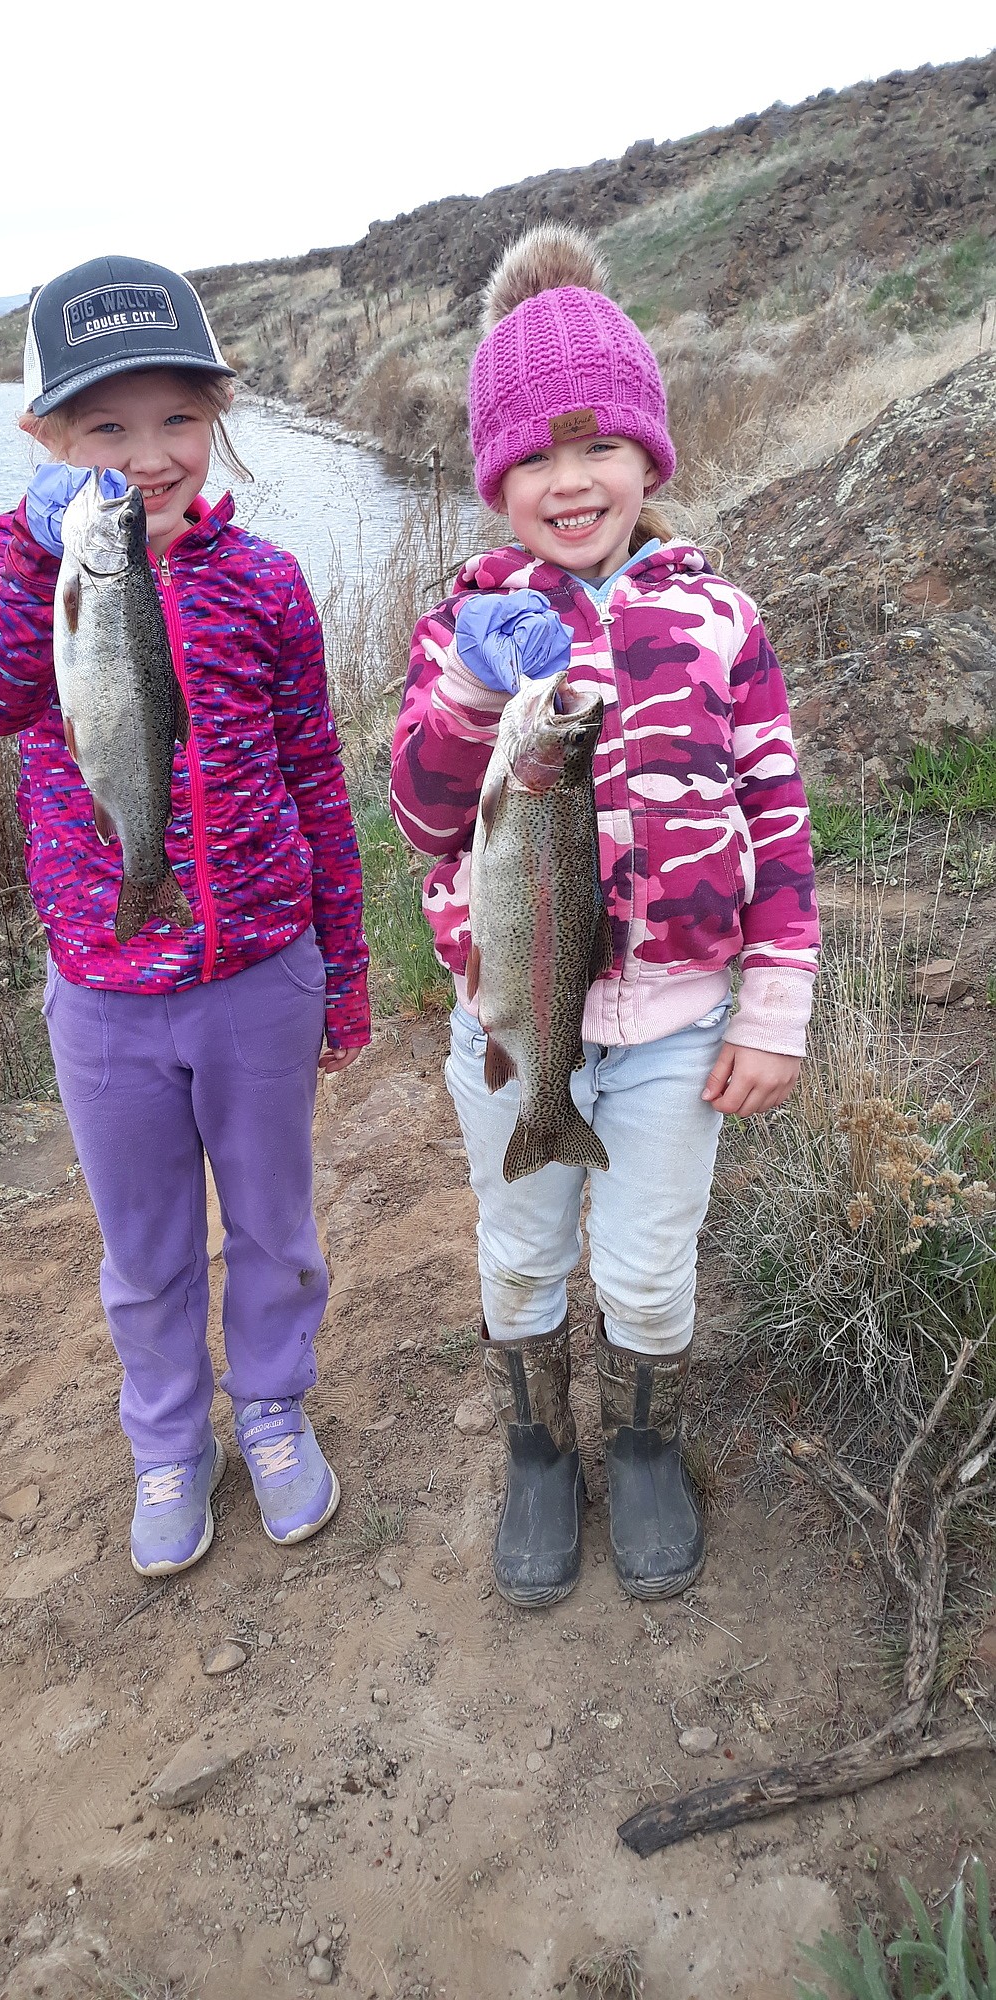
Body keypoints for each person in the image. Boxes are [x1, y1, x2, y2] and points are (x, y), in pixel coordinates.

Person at [390, 225, 819, 1609]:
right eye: (531, 459)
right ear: (492, 478)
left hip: (678, 1032)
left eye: (598, 451)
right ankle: (535, 1444)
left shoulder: (717, 620)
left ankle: (638, 1441)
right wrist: (468, 692)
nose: (568, 484)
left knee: (644, 1265)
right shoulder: (464, 620)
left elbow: (777, 819)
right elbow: (417, 807)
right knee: (518, 1247)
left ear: (649, 458)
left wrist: (773, 1008)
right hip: (513, 1032)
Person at [0, 255, 370, 1576]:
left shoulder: (267, 585)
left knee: (273, 1228)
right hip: (105, 998)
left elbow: (316, 781)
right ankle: (168, 1441)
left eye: (176, 419)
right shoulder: (19, 563)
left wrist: (342, 971)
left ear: (220, 417)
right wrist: (33, 553)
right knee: (142, 1253)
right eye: (103, 428)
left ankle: (272, 1407)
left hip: (261, 972)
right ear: (44, 441)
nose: (146, 456)